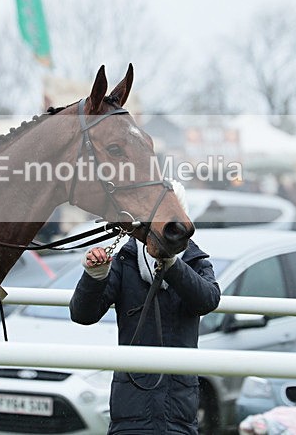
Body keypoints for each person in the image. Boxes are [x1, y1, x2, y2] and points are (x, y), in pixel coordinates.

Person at [69, 181, 221, 435]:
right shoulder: (124, 259)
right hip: (131, 408)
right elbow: (82, 315)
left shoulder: (195, 260)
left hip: (178, 411)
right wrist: (95, 276)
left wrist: (171, 264)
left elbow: (208, 301)